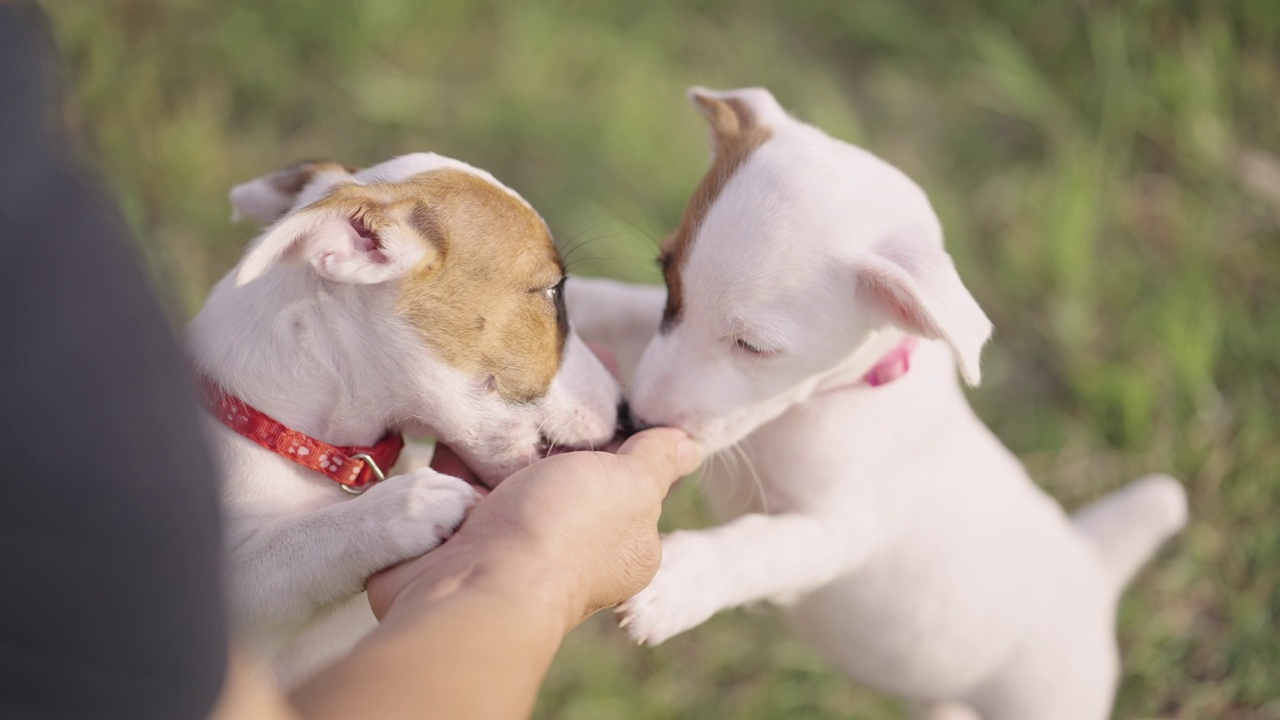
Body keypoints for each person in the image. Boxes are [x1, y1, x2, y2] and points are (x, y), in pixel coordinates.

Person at [0, 4, 699, 718]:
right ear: (359, 246)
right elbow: (195, 623)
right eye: (543, 293)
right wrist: (389, 538)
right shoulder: (154, 454)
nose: (595, 383)